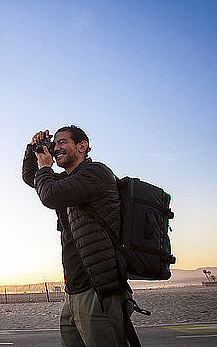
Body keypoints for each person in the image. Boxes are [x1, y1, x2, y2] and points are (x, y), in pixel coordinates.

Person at [22, 125, 135, 347]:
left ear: (82, 146)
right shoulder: (67, 181)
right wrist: (32, 149)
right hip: (73, 290)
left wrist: (45, 167)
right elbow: (31, 178)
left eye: (62, 142)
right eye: (54, 144)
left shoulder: (96, 173)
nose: (56, 148)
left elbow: (50, 195)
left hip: (97, 289)